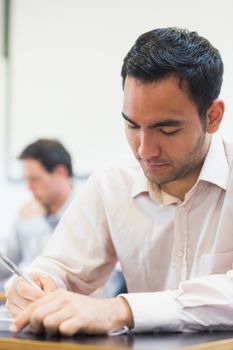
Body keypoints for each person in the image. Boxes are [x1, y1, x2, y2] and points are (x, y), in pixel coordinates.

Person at [5, 27, 233, 335]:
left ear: (213, 116)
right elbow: (60, 267)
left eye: (167, 130)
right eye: (132, 125)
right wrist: (35, 284)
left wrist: (121, 309)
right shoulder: (112, 184)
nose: (144, 149)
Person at [0, 139, 74, 287]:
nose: (29, 186)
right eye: (27, 180)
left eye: (35, 179)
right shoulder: (30, 212)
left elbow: (53, 274)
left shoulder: (84, 214)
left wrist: (35, 224)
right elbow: (7, 263)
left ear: (60, 173)